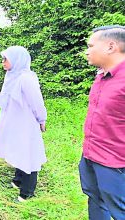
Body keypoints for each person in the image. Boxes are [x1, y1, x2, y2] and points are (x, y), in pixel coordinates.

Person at [80, 25, 125, 220]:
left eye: (91, 46)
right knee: (95, 201)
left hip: (115, 162)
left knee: (119, 210)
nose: (87, 51)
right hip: (91, 154)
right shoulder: (101, 76)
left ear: (111, 46)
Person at [0, 46, 47, 202]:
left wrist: (41, 119)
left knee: (27, 152)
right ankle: (18, 179)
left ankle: (27, 191)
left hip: (25, 122)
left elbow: (37, 101)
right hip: (14, 121)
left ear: (17, 59)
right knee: (17, 148)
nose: (3, 62)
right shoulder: (12, 75)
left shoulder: (26, 78)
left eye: (6, 59)